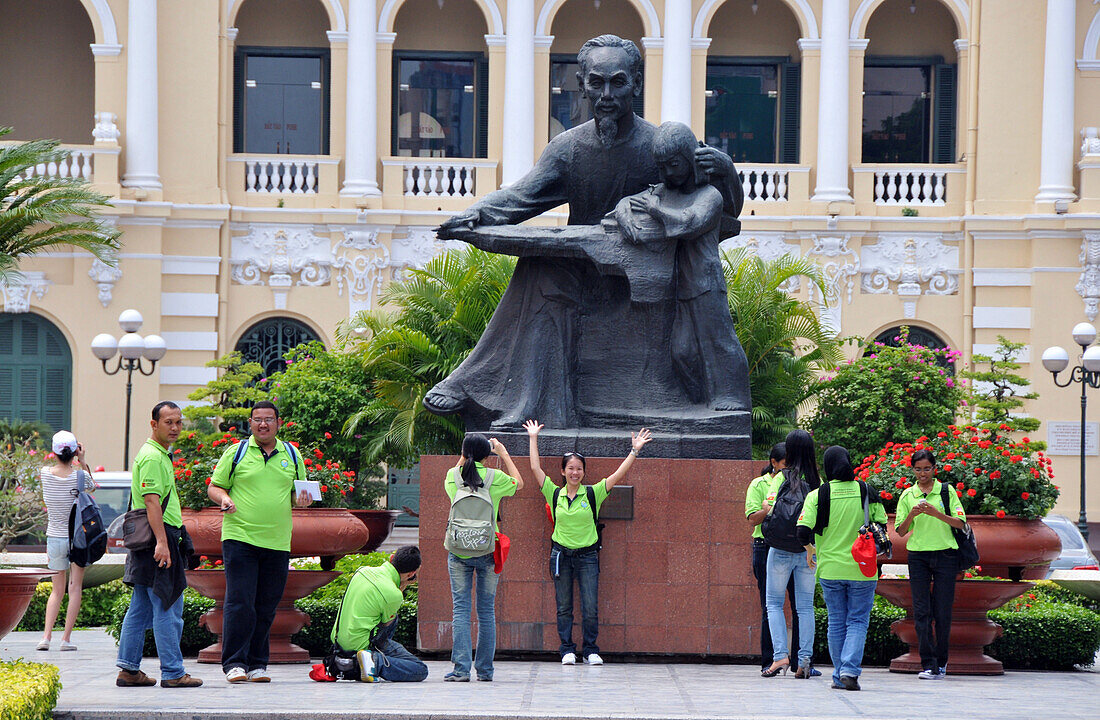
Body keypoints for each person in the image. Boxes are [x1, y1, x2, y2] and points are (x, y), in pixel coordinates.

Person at [428, 34, 744, 429]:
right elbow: (519, 197)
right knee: (539, 269)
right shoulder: (567, 148)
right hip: (581, 269)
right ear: (582, 85)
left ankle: (474, 385)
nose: (607, 94)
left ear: (637, 83)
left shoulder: (661, 146)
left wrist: (728, 172)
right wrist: (472, 216)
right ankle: (511, 401)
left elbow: (720, 211)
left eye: (618, 82)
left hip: (642, 280)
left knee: (541, 271)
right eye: (597, 83)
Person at [616, 121, 746, 410]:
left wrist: (654, 209)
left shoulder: (710, 196)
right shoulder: (666, 191)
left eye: (673, 165)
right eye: (661, 167)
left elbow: (689, 222)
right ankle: (701, 403)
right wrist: (625, 210)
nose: (667, 174)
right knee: (682, 352)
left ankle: (733, 397)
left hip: (705, 283)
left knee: (720, 341)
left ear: (689, 159)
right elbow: (629, 202)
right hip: (679, 285)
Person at [523, 419, 652, 665]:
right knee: (564, 607)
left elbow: (617, 475)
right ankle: (566, 649)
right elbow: (535, 469)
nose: (575, 472)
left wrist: (634, 450)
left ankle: (591, 649)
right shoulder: (554, 492)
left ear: (584, 472)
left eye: (579, 468)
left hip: (587, 557)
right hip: (561, 555)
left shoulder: (593, 492)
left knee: (590, 607)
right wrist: (532, 438)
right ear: (563, 471)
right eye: (570, 468)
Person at [207, 400, 312, 683]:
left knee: (266, 605)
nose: (263, 424)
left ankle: (257, 665)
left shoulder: (291, 453)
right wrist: (225, 498)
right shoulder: (237, 452)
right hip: (240, 537)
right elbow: (214, 487)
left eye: (268, 419)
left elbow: (299, 496)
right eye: (257, 419)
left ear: (278, 423)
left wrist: (303, 500)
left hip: (277, 541)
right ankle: (234, 664)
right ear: (250, 423)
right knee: (240, 602)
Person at [116, 401, 203, 688]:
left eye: (178, 422)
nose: (175, 427)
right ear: (154, 424)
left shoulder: (159, 454)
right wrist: (163, 543)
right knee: (168, 603)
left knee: (140, 608)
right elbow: (152, 502)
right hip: (158, 538)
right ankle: (174, 672)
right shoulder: (153, 456)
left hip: (151, 540)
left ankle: (129, 670)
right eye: (169, 422)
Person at [797, 446, 888, 691]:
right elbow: (881, 526)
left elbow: (802, 531)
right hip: (863, 569)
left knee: (837, 621)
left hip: (829, 569)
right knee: (857, 620)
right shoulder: (866, 491)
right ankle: (848, 671)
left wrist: (810, 549)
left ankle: (839, 675)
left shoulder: (819, 494)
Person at [443, 433, 523, 682]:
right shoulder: (494, 478)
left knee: (461, 610)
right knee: (486, 611)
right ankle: (485, 671)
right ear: (487, 456)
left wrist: (465, 454)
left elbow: (460, 468)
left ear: (464, 453)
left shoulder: (451, 476)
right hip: (488, 549)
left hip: (458, 550)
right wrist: (503, 452)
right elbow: (519, 483)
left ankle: (461, 670)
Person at [894, 448, 967, 680]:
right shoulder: (908, 495)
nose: (923, 473)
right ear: (912, 470)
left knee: (943, 611)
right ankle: (928, 664)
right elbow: (901, 531)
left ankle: (942, 662)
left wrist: (937, 514)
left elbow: (960, 523)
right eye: (918, 469)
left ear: (934, 469)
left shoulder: (946, 491)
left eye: (927, 468)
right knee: (922, 611)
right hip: (918, 557)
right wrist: (912, 515)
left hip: (946, 555)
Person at [762, 429, 819, 678]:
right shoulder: (818, 482)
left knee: (774, 604)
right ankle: (804, 660)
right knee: (805, 607)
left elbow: (770, 509)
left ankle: (780, 657)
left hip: (780, 548)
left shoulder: (780, 478)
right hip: (808, 550)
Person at [330, 546, 427, 683]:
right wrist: (401, 588)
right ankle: (374, 661)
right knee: (419, 669)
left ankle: (357, 662)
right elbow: (386, 625)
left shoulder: (362, 571)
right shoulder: (393, 594)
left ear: (392, 558)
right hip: (361, 646)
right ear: (411, 574)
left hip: (338, 642)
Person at [37, 430, 96, 652]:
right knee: (75, 588)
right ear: (74, 451)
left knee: (56, 590)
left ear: (53, 452)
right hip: (77, 538)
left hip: (54, 537)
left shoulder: (45, 474)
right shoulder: (79, 476)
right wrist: (83, 461)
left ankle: (46, 637)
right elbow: (91, 488)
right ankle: (66, 640)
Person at [745, 443, 800, 670]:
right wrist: (770, 509)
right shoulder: (759, 484)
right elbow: (752, 518)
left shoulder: (800, 484)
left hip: (794, 547)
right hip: (766, 546)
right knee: (769, 606)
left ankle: (800, 661)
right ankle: (770, 660)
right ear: (774, 463)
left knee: (800, 606)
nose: (789, 468)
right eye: (785, 463)